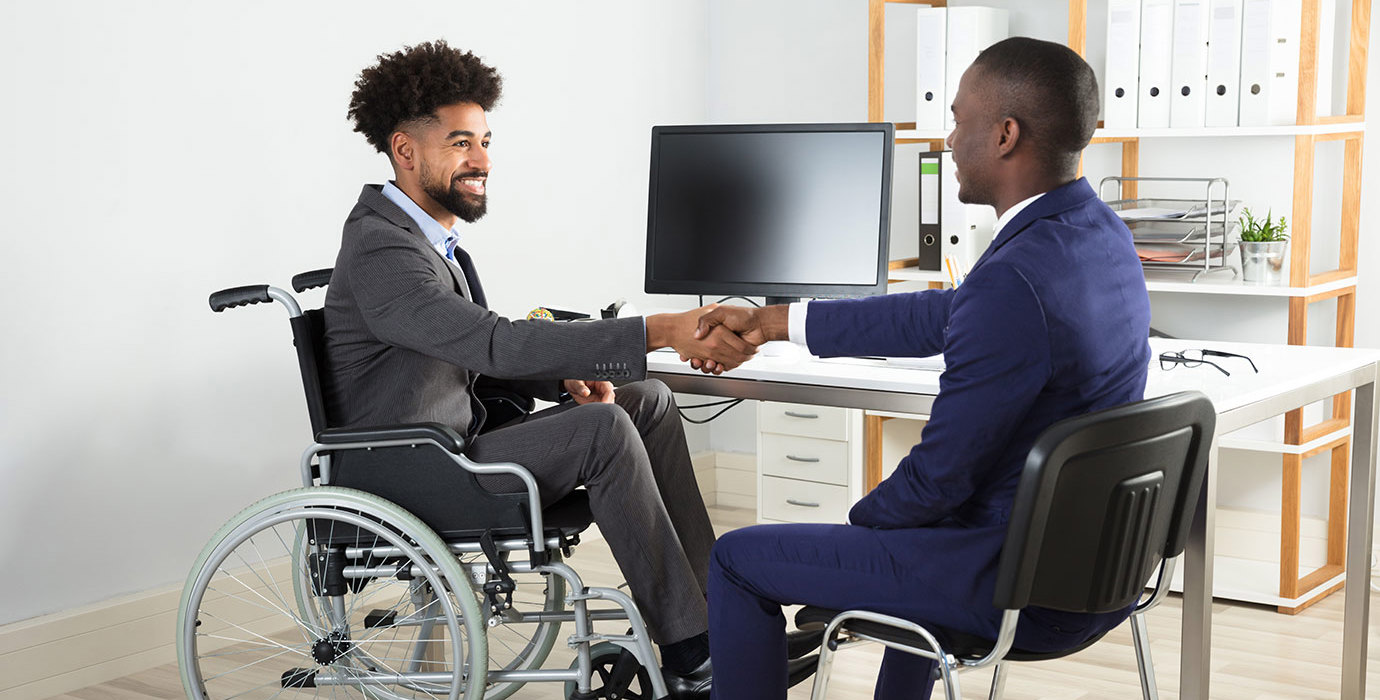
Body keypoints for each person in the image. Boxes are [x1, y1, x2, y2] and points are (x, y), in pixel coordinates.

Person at [692, 37, 1153, 699]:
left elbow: (938, 479)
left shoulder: (1016, 280)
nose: (947, 139)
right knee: (915, 527)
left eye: (959, 120)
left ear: (1004, 136)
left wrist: (849, 535)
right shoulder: (1098, 235)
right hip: (1093, 572)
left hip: (1016, 585)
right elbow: (940, 317)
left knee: (738, 559)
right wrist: (775, 322)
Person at [324, 40, 741, 694]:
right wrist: (659, 329)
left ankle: (722, 617)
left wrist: (560, 379)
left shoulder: (429, 243)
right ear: (406, 151)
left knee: (645, 399)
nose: (483, 159)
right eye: (461, 143)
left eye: (485, 140)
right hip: (416, 470)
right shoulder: (383, 248)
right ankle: (697, 653)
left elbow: (470, 360)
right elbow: (495, 344)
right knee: (601, 432)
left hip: (451, 447)